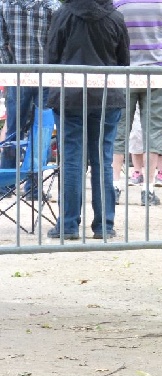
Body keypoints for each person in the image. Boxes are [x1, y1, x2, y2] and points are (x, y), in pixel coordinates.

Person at [45, 0, 129, 240]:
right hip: (106, 95)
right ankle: (104, 224)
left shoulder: (63, 15)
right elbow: (123, 61)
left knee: (72, 160)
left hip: (69, 96)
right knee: (103, 160)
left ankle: (68, 224)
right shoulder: (115, 17)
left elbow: (52, 56)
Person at [111, 0, 162, 207]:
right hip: (156, 73)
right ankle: (148, 189)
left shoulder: (119, 2)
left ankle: (115, 185)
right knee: (153, 133)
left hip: (125, 72)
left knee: (119, 130)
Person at [0, 0, 60, 199]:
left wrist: (10, 70)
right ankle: (33, 187)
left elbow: (1, 44)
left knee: (13, 131)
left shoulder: (5, 5)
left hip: (17, 74)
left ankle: (5, 184)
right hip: (46, 75)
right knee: (41, 131)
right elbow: (56, 44)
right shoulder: (52, 7)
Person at [123, 19, 162, 204]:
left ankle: (158, 173)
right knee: (135, 129)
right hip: (134, 76)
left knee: (157, 130)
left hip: (158, 78)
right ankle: (138, 172)